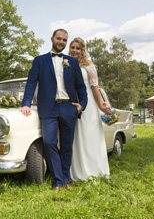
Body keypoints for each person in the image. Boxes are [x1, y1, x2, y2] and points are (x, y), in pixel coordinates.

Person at [20, 29, 88, 191]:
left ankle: (65, 178)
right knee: (49, 142)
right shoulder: (39, 61)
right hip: (48, 109)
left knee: (66, 145)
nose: (61, 42)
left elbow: (81, 87)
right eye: (59, 39)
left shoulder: (72, 62)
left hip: (68, 107)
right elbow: (31, 83)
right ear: (52, 39)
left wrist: (81, 105)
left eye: (64, 40)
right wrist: (26, 104)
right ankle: (57, 180)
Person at [68, 37, 111, 181]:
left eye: (78, 48)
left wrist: (101, 106)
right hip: (73, 104)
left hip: (89, 106)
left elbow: (95, 88)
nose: (75, 50)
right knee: (76, 137)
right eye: (72, 47)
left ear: (82, 50)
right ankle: (77, 172)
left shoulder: (89, 65)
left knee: (89, 136)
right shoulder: (66, 63)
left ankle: (94, 171)